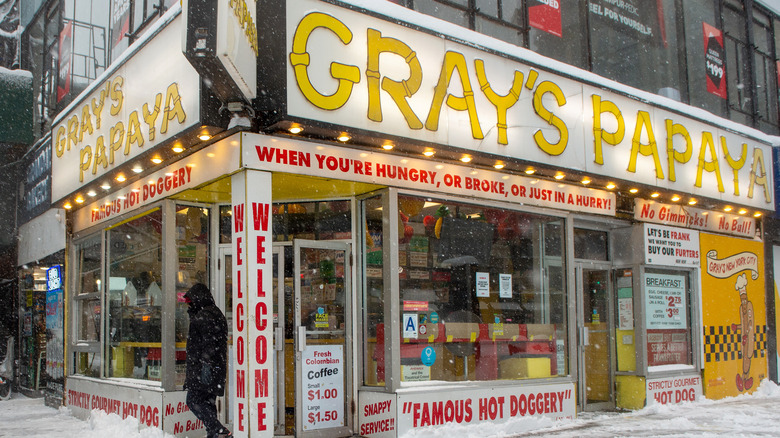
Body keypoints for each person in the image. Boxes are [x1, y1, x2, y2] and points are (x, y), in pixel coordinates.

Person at [184, 283, 231, 438]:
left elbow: (208, 343)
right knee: (208, 402)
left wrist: (205, 364)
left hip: (204, 369)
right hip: (215, 368)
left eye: (191, 302)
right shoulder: (215, 313)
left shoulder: (204, 316)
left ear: (198, 299)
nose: (189, 306)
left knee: (193, 400)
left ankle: (218, 430)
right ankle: (214, 433)